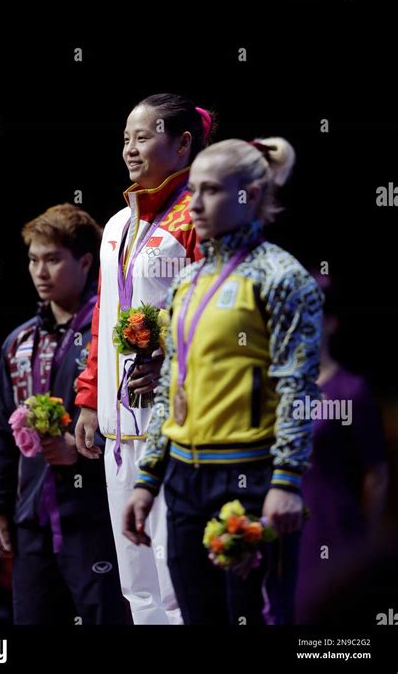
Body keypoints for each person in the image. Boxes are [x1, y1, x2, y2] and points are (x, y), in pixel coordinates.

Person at [123, 137, 324, 625]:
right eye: (191, 190)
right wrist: (148, 478)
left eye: (209, 191)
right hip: (186, 482)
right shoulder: (187, 282)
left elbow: (298, 387)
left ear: (249, 196)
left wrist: (286, 481)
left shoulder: (282, 277)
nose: (193, 204)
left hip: (251, 480)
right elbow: (174, 380)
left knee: (254, 619)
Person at [74, 93, 215, 624]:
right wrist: (89, 401)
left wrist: (173, 360)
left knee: (176, 572)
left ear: (183, 144)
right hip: (117, 429)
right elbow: (101, 320)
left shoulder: (195, 221)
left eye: (144, 136)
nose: (131, 149)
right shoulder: (115, 227)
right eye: (126, 139)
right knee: (136, 583)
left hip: (173, 426)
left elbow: (216, 320)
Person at [0, 203, 125, 625]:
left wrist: (80, 451)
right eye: (33, 259)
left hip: (95, 518)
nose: (41, 271)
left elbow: (133, 421)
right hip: (32, 522)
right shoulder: (17, 343)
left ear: (84, 262)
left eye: (53, 259)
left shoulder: (111, 335)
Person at [295, 272, 389, 622]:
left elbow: (375, 474)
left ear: (330, 324)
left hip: (336, 530)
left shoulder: (352, 391)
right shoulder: (281, 393)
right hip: (286, 534)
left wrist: (360, 538)